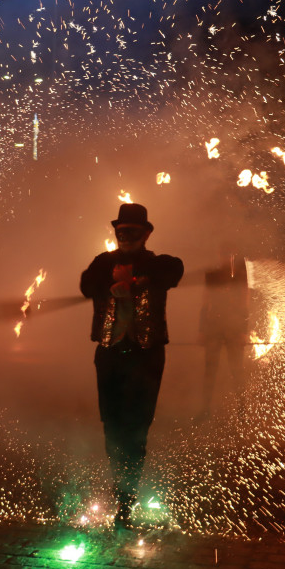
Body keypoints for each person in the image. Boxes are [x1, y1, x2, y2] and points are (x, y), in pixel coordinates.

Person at [80, 203, 183, 531]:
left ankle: (126, 502)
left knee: (137, 428)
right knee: (113, 427)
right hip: (110, 355)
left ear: (147, 233)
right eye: (120, 232)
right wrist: (111, 283)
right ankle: (120, 494)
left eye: (132, 232)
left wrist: (136, 281)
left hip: (146, 356)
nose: (124, 237)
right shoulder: (102, 264)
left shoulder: (159, 263)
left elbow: (173, 272)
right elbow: (86, 285)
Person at [196, 242, 249, 421]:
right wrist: (202, 329)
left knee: (237, 370)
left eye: (229, 254)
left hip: (233, 328)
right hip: (214, 326)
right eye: (223, 254)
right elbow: (205, 302)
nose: (226, 257)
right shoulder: (212, 276)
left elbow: (244, 303)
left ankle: (242, 408)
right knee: (210, 369)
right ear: (219, 255)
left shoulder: (241, 276)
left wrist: (243, 330)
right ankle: (205, 409)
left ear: (233, 255)